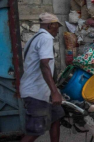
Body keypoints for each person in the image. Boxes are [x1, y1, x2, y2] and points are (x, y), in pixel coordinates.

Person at [20, 12, 64, 142]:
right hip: (36, 93)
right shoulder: (45, 38)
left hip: (43, 91)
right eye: (57, 26)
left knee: (56, 118)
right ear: (51, 25)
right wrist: (55, 92)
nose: (58, 29)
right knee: (36, 130)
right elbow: (44, 65)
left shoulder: (34, 39)